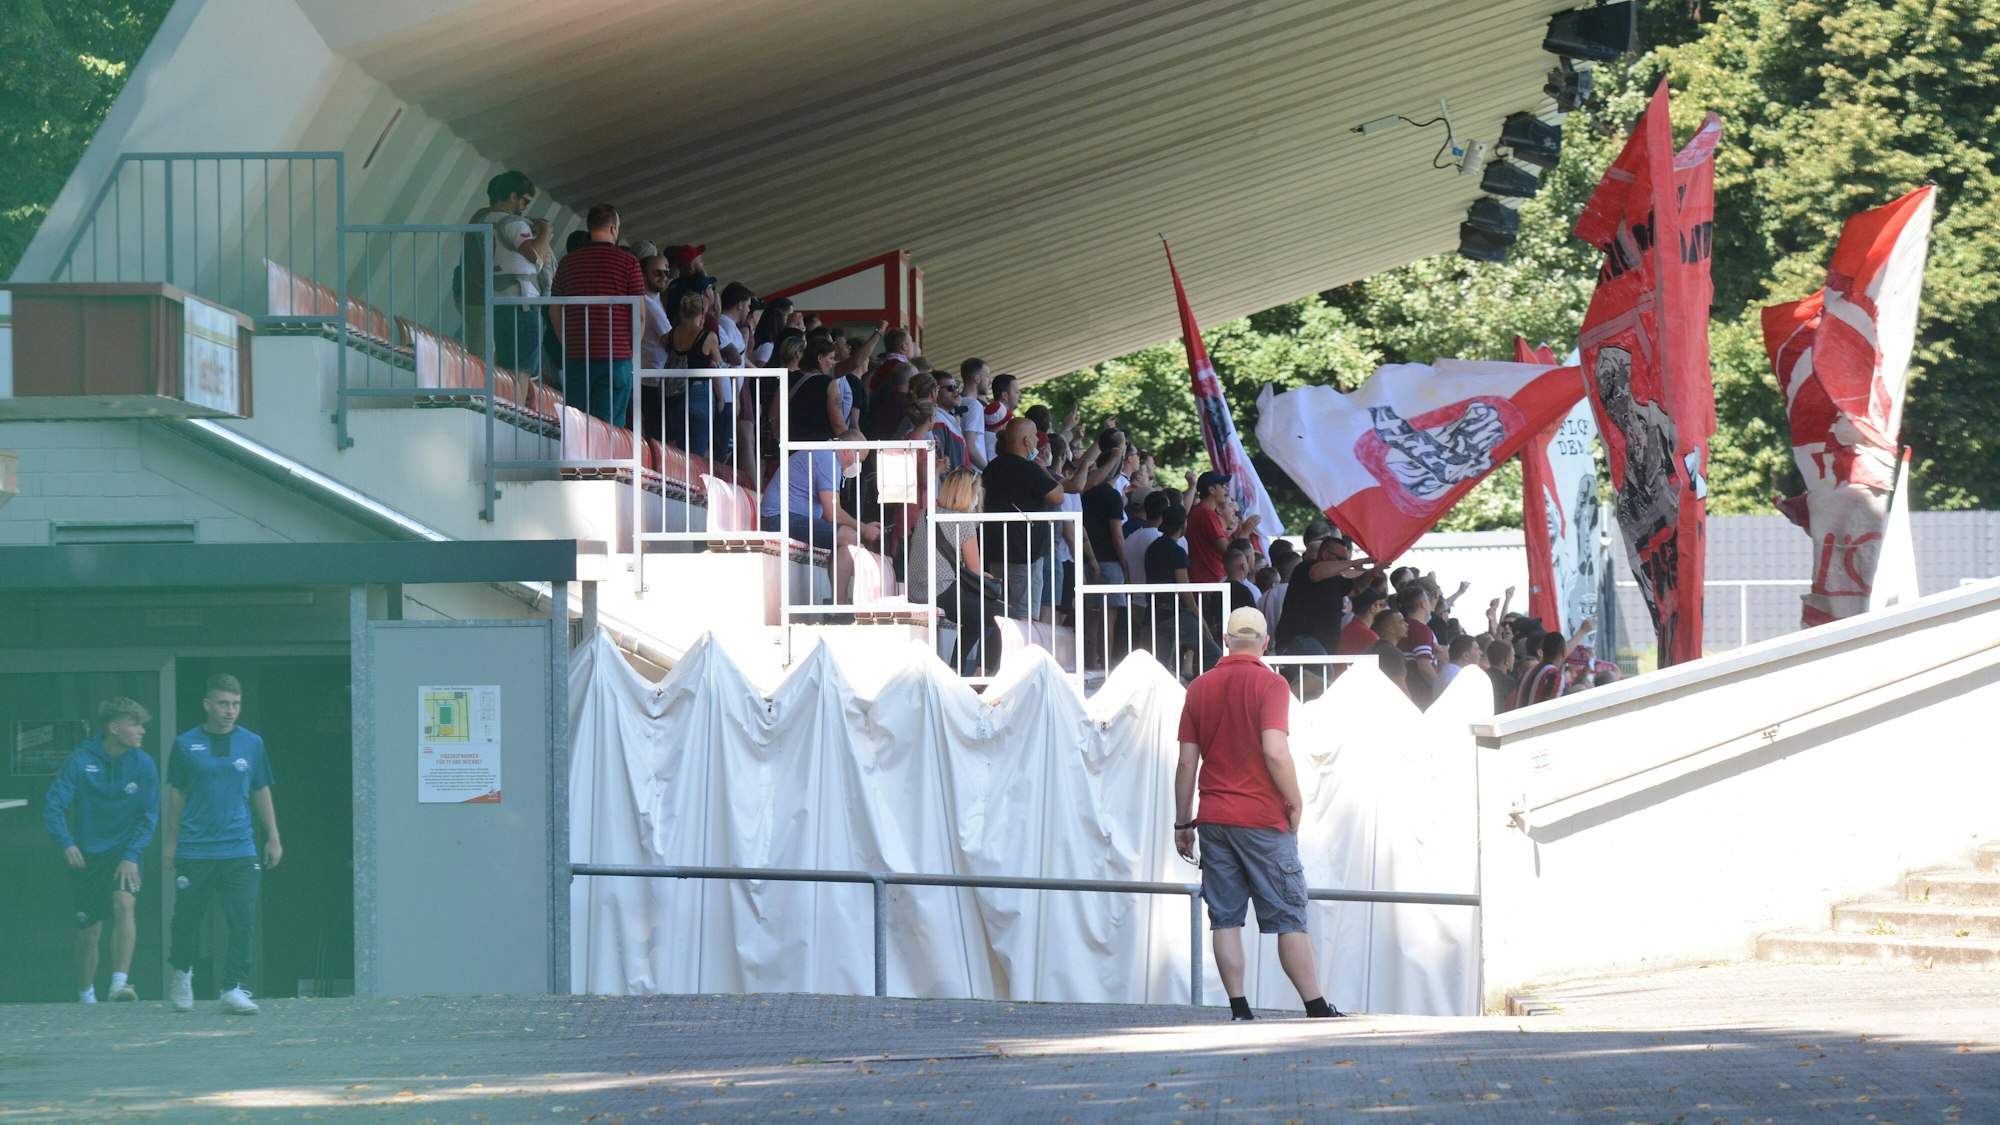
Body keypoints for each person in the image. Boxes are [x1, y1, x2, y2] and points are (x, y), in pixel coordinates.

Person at [1173, 607, 1343, 1022]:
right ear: (1266, 642)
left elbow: (1185, 764)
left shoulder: (1199, 688)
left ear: (1226, 640)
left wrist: (1182, 823)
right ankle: (1316, 1007)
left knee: (1225, 917)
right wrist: (1296, 801)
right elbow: (1274, 750)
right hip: (1263, 819)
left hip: (1213, 818)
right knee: (1288, 916)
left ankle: (1239, 1009)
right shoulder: (1271, 684)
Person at [165, 674, 281, 1015]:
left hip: (239, 849)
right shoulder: (185, 744)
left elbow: (261, 788)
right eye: (223, 703)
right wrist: (171, 842)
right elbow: (176, 794)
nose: (230, 711)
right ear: (207, 704)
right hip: (196, 849)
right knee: (187, 919)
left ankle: (232, 987)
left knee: (242, 918)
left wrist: (273, 835)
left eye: (236, 704)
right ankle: (182, 972)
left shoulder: (253, 743)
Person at [44, 698, 158, 1003]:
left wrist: (132, 855)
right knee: (90, 931)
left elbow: (150, 814)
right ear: (113, 727)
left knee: (124, 904)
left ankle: (119, 984)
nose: (142, 731)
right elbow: (53, 806)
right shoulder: (80, 760)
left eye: (142, 724)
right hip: (88, 855)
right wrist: (66, 842)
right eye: (135, 724)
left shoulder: (143, 763)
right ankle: (86, 995)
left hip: (124, 853)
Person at [549, 203, 646, 426]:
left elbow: (554, 309)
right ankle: (604, 462)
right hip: (616, 355)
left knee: (577, 422)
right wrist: (630, 350)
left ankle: (576, 461)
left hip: (577, 355)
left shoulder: (567, 262)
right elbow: (639, 315)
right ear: (613, 228)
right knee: (609, 427)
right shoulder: (629, 262)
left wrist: (567, 342)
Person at [982, 417, 1065, 620]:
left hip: (994, 551)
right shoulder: (1029, 469)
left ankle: (998, 651)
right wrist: (1045, 471)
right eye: (1035, 436)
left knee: (998, 613)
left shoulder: (991, 468)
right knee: (1024, 616)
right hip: (1025, 552)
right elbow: (1058, 495)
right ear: (1027, 441)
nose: (1038, 441)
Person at [1274, 536, 1371, 656]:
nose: (1344, 563)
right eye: (1341, 559)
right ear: (1325, 554)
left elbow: (1355, 589)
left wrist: (1371, 574)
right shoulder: (1306, 567)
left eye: (1346, 559)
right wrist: (1352, 563)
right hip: (1299, 643)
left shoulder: (1336, 578)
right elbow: (1316, 573)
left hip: (1322, 649)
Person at [1187, 471, 1260, 585]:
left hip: (1203, 580)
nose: (1225, 488)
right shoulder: (1206, 514)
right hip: (1210, 580)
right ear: (1211, 490)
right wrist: (1245, 533)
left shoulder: (1200, 512)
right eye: (1222, 485)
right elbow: (1229, 553)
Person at [1485, 639, 1518, 711]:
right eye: (1513, 656)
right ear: (1507, 660)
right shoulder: (1509, 682)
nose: (1514, 660)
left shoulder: (1482, 677)